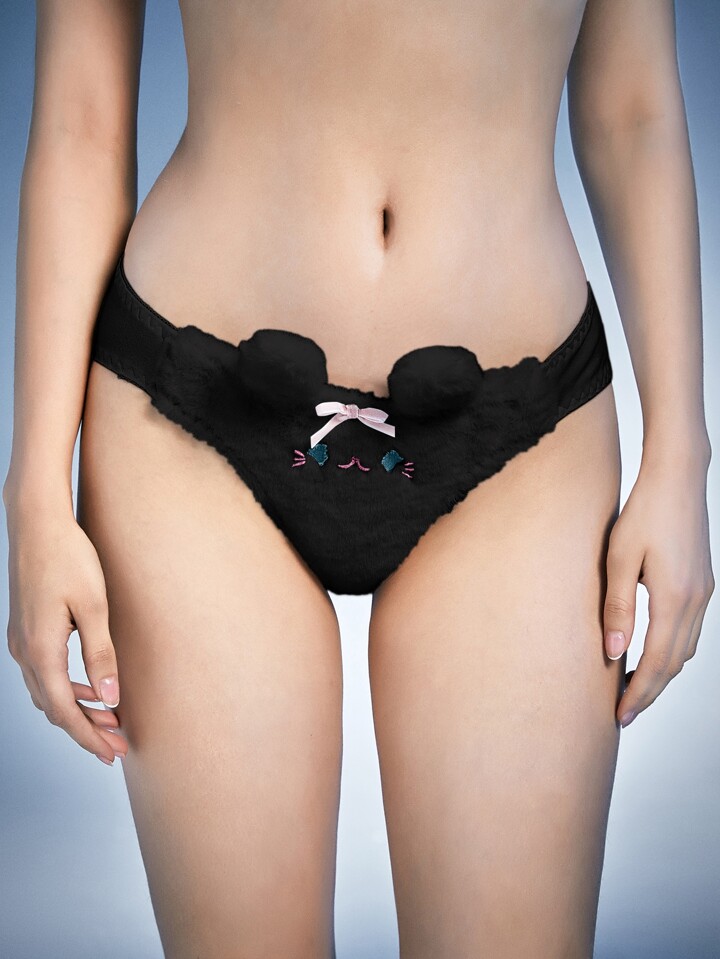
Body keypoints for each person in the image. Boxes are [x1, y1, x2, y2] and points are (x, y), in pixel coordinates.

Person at [3, 0, 714, 956]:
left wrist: (681, 456)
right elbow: (81, 117)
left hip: (520, 437)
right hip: (194, 419)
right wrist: (34, 497)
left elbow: (633, 107)